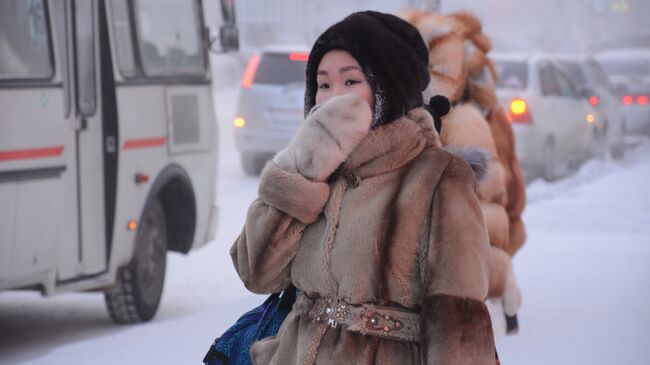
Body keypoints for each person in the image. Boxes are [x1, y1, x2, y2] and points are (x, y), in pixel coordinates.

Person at [231, 11, 496, 365]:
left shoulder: (437, 178)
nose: (333, 98)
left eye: (351, 82)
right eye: (323, 85)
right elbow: (257, 273)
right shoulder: (314, 171)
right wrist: (301, 170)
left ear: (389, 89)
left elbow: (458, 319)